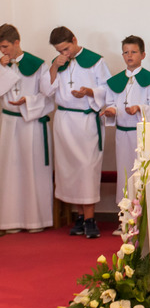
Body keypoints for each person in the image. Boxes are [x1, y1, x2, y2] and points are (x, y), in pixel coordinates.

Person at [42, 26, 110, 239]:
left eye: (66, 49)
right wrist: (55, 66)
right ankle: (80, 217)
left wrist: (89, 92)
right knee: (70, 169)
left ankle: (90, 219)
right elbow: (46, 90)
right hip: (64, 121)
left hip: (86, 120)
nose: (64, 54)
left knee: (87, 168)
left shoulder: (95, 61)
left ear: (74, 39)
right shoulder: (59, 62)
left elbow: (107, 89)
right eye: (59, 51)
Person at [101, 35, 150, 231]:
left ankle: (142, 221)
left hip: (141, 135)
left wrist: (139, 108)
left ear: (143, 55)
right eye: (126, 52)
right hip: (122, 135)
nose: (129, 55)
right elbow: (111, 102)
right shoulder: (115, 81)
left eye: (134, 52)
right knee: (124, 175)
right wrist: (111, 111)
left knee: (141, 175)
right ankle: (125, 219)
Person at [0, 24, 54, 234]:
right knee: (9, 171)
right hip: (8, 123)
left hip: (31, 123)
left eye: (5, 46)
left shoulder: (38, 65)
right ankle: (9, 221)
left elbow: (48, 96)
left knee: (32, 170)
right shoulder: (2, 64)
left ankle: (34, 221)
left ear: (17, 42)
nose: (3, 51)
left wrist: (28, 101)